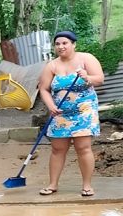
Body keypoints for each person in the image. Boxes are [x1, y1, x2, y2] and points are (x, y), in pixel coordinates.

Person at [37, 30, 104, 197]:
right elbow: (43, 89)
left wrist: (87, 76)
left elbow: (100, 79)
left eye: (65, 43)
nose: (61, 46)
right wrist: (51, 106)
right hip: (60, 112)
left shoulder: (86, 59)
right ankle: (52, 185)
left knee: (83, 147)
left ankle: (87, 186)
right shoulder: (52, 65)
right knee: (57, 149)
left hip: (84, 111)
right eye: (58, 44)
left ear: (74, 44)